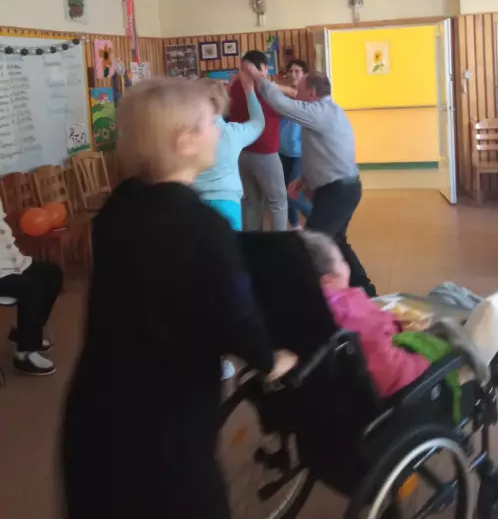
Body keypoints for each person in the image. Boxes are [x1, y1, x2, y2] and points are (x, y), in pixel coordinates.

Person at [60, 78, 297, 519]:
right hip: (163, 425)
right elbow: (236, 315)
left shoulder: (120, 206)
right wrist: (271, 359)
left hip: (94, 410)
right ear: (184, 141)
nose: (218, 130)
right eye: (210, 122)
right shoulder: (203, 227)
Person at [243, 63, 376, 296]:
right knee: (335, 241)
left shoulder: (320, 112)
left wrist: (257, 77)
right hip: (341, 188)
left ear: (312, 93)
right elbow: (324, 152)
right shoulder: (326, 112)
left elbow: (281, 104)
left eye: (300, 90)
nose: (297, 94)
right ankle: (366, 291)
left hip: (340, 190)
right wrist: (303, 178)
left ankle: (299, 296)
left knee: (310, 244)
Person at [301, 230, 429, 395]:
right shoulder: (353, 311)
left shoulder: (298, 309)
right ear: (327, 278)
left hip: (328, 393)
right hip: (394, 390)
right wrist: (427, 360)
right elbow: (391, 372)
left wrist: (395, 325)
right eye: (342, 261)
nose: (347, 264)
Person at [192, 71, 264, 232]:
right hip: (227, 201)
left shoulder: (184, 134)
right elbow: (258, 122)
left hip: (192, 200)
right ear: (222, 102)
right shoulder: (233, 133)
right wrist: (249, 91)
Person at [0, 199, 63, 376]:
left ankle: (25, 332)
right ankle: (25, 353)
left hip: (14, 264)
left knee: (52, 274)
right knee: (32, 288)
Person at [229, 51, 287, 231]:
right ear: (263, 67)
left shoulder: (235, 86)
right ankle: (279, 243)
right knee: (277, 202)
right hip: (265, 153)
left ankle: (251, 243)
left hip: (241, 153)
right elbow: (285, 107)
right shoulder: (267, 89)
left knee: (251, 201)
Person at [278, 58, 312, 229]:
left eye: (297, 71)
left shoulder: (309, 94)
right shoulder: (282, 96)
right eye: (291, 71)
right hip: (283, 151)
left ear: (305, 74)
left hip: (300, 152)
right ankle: (295, 227)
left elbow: (295, 95)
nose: (293, 74)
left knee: (293, 193)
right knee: (286, 191)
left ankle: (319, 222)